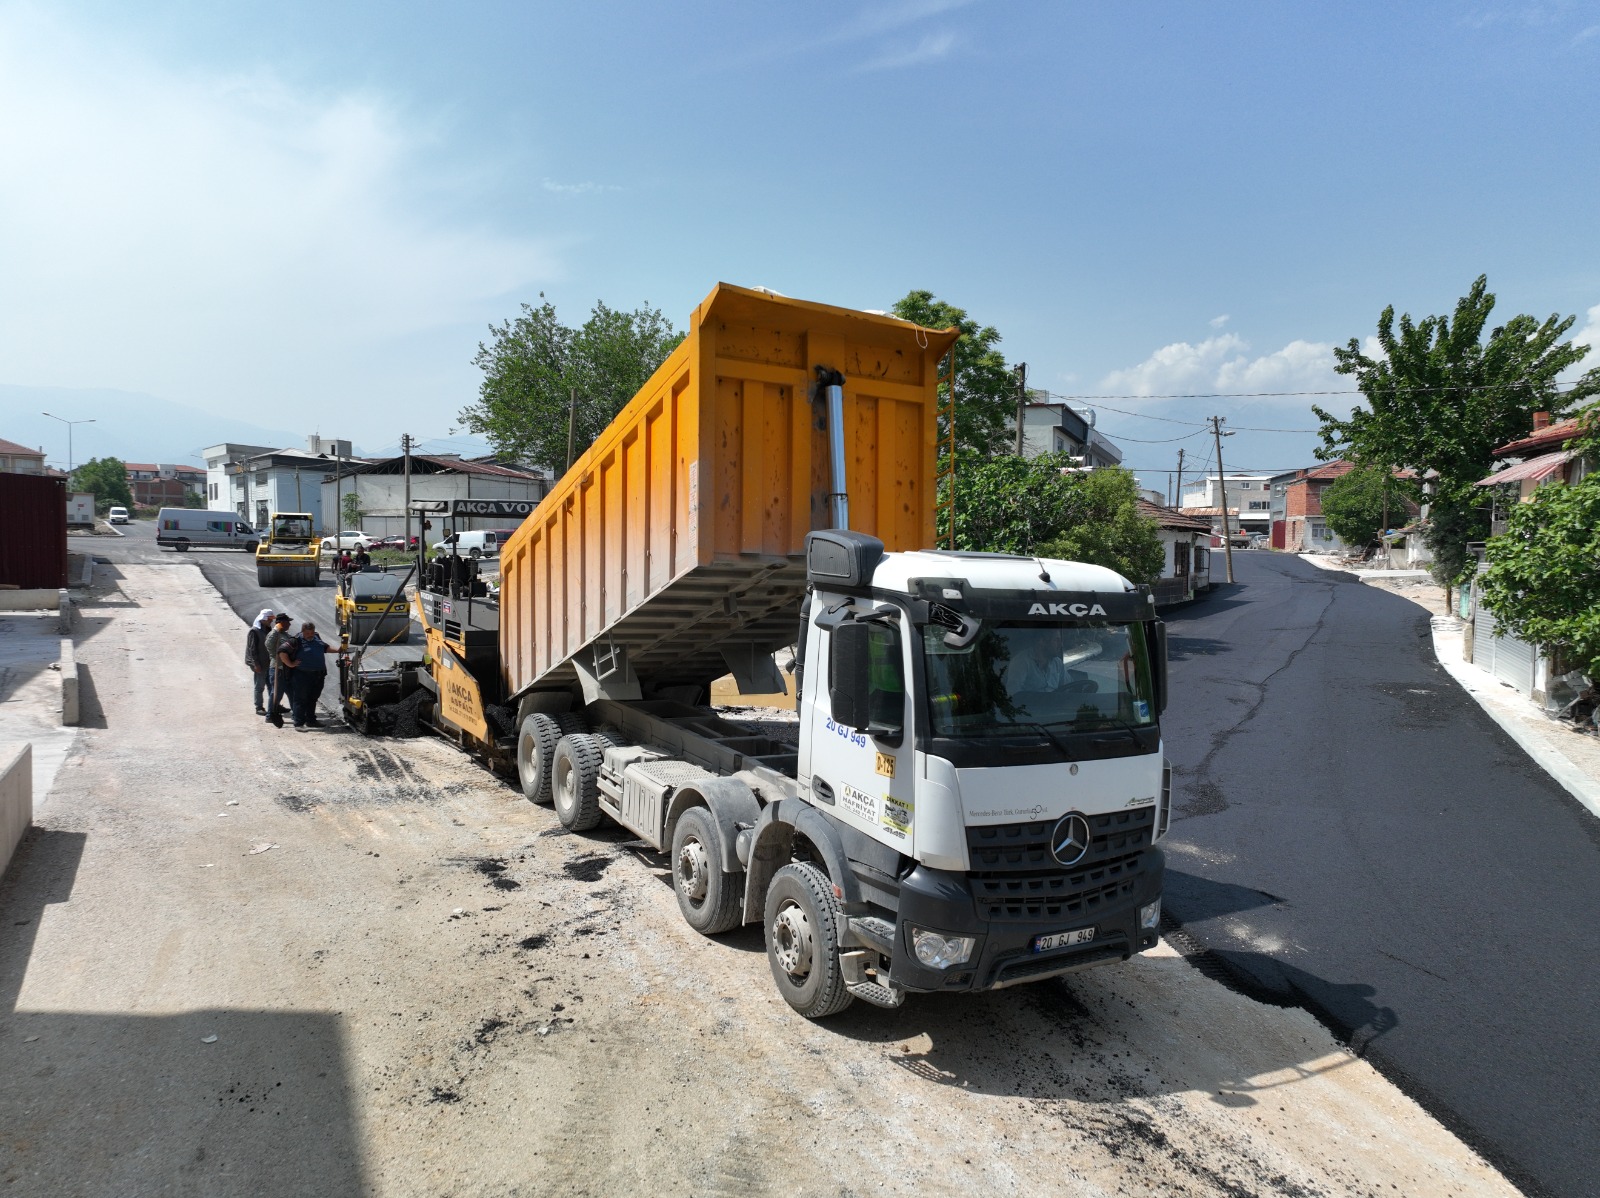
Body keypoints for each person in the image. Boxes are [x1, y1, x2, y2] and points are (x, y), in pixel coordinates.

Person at [289, 621, 332, 729]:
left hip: (318, 675)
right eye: (308, 633)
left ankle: (311, 720)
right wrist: (290, 664)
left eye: (312, 632)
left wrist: (340, 650)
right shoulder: (295, 640)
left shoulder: (316, 637)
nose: (310, 635)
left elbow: (325, 648)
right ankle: (299, 723)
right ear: (303, 631)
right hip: (302, 675)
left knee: (313, 698)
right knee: (300, 699)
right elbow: (282, 652)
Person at [263, 612, 293, 726]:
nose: (289, 624)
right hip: (277, 669)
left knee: (292, 692)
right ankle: (270, 715)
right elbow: (269, 645)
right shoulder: (274, 634)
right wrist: (276, 630)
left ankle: (297, 715)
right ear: (280, 623)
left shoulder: (285, 635)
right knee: (276, 694)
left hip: (287, 669)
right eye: (287, 622)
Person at [245, 608, 274, 713]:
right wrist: (256, 664)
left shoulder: (268, 630)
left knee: (271, 686)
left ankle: (273, 706)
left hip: (268, 662)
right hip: (259, 664)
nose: (271, 621)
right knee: (259, 686)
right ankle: (259, 707)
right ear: (263, 619)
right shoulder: (254, 631)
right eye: (269, 619)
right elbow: (252, 649)